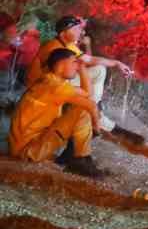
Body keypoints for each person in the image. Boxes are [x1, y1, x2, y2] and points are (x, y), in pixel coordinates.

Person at [8, 47, 106, 178]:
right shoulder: (56, 86)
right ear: (61, 64)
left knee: (78, 110)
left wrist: (81, 68)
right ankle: (80, 159)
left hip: (28, 146)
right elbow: (91, 103)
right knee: (83, 110)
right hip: (28, 152)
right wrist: (97, 129)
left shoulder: (50, 81)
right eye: (74, 62)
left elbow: (87, 94)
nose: (76, 67)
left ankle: (76, 158)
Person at [28, 15, 131, 132]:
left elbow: (89, 60)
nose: (80, 31)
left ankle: (92, 108)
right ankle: (92, 115)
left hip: (57, 81)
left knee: (99, 70)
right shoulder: (55, 48)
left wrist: (117, 63)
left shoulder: (67, 44)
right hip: (44, 87)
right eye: (76, 29)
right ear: (63, 34)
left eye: (80, 28)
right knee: (86, 92)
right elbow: (73, 69)